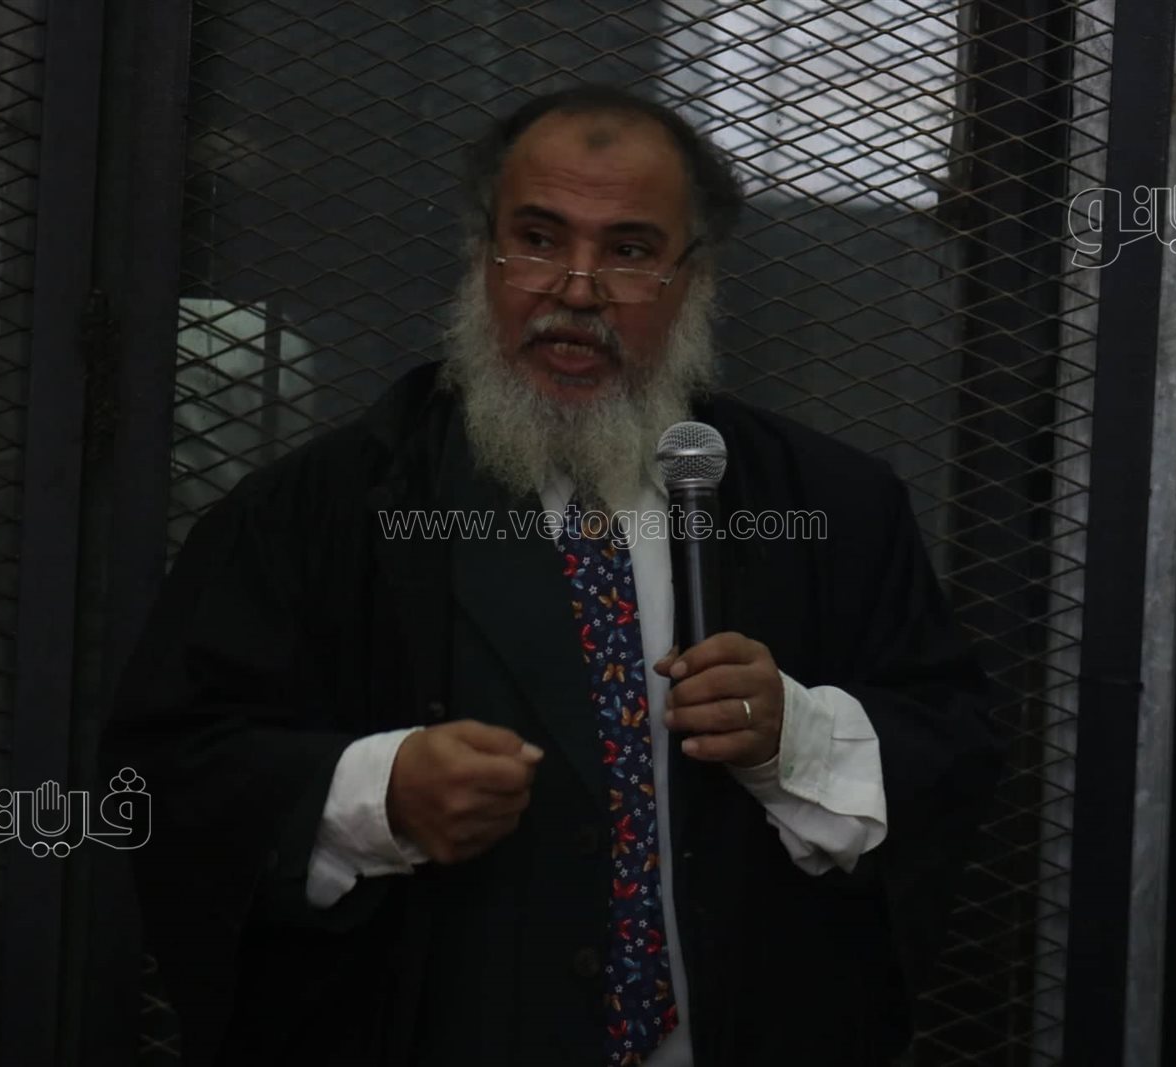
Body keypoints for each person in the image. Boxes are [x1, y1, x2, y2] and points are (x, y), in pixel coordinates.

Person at [102, 84, 1001, 1067]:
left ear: (693, 279)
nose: (576, 289)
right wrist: (375, 792)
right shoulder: (315, 511)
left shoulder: (836, 507)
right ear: (481, 255)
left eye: (629, 250)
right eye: (537, 239)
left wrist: (798, 736)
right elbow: (166, 777)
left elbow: (952, 749)